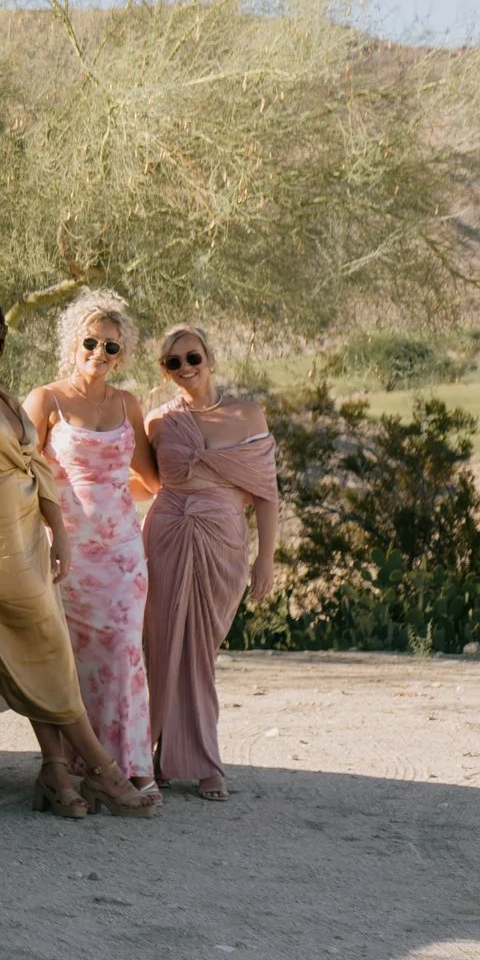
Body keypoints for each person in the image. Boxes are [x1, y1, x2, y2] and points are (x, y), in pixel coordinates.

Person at [0, 291, 154, 819]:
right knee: (49, 644)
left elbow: (38, 465)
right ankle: (101, 769)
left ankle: (56, 772)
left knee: (44, 643)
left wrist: (58, 529)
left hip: (30, 529)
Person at [26, 289, 163, 803]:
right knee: (70, 660)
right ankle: (74, 769)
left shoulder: (128, 403)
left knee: (124, 654)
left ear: (122, 353)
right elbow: (23, 474)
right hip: (66, 553)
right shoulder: (46, 400)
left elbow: (150, 481)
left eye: (111, 346)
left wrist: (106, 499)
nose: (99, 354)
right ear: (72, 343)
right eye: (91, 342)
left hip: (124, 553)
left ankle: (128, 766)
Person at [144, 324, 281, 801]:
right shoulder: (158, 422)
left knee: (201, 649)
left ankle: (200, 755)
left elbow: (266, 494)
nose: (185, 368)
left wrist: (266, 558)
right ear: (165, 371)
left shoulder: (248, 414)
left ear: (210, 358)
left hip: (223, 539)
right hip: (166, 534)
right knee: (158, 644)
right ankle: (155, 754)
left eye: (192, 357)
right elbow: (143, 480)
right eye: (174, 362)